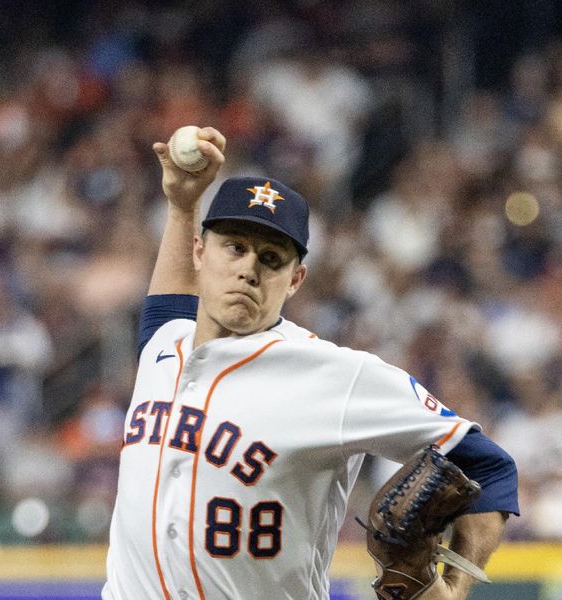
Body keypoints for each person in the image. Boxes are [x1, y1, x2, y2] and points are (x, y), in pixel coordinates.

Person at [102, 127, 518, 600]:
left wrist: (454, 586)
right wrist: (181, 207)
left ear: (295, 279)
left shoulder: (332, 374)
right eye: (234, 247)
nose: (248, 269)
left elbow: (491, 468)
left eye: (271, 258)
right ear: (199, 251)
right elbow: (167, 310)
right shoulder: (163, 344)